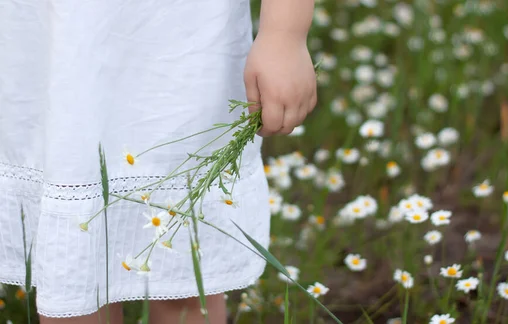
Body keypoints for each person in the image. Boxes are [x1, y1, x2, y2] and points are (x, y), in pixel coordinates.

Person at [0, 0, 316, 323]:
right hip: (52, 23)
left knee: (184, 275)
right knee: (76, 269)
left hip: (178, 32)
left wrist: (284, 33)